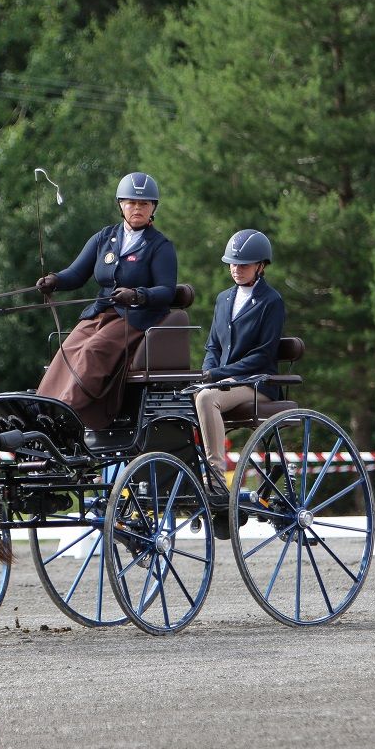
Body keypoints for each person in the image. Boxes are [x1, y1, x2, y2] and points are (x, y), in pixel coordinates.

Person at [34, 172, 178, 429]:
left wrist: (138, 295)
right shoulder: (104, 238)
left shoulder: (160, 246)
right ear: (121, 205)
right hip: (102, 311)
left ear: (153, 208)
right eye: (131, 203)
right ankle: (42, 408)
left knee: (93, 351)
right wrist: (55, 280)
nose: (137, 208)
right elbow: (77, 274)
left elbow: (167, 291)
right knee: (68, 350)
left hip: (136, 317)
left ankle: (67, 411)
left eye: (144, 204)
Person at [195, 229, 286, 507]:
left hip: (256, 383)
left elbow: (262, 355)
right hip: (225, 382)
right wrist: (207, 373)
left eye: (243, 264)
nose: (236, 269)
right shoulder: (223, 299)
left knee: (207, 398)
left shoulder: (271, 302)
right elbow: (213, 346)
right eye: (233, 263)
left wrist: (219, 376)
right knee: (181, 396)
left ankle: (216, 478)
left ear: (260, 266)